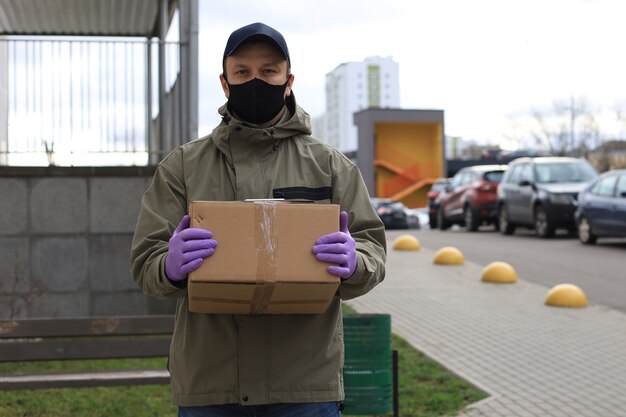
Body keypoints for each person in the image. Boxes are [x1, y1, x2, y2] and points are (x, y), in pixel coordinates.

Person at [131, 22, 386, 417]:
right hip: (210, 387)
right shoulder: (181, 166)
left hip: (304, 386)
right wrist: (167, 265)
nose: (256, 81)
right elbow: (145, 261)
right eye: (243, 72)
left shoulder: (330, 165)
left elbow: (373, 248)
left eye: (268, 71)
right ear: (225, 82)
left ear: (288, 81)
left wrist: (357, 262)